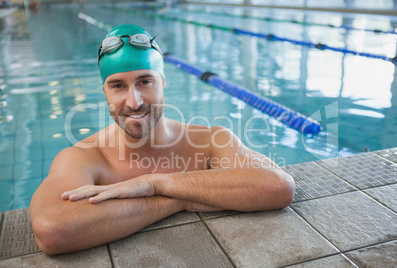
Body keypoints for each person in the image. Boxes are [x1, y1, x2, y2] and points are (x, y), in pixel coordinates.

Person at [29, 24, 295, 255]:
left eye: (145, 81)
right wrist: (182, 198)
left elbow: (278, 186)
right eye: (118, 86)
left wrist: (155, 183)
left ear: (163, 82)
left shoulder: (211, 139)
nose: (134, 102)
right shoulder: (83, 156)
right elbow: (53, 231)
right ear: (105, 93)